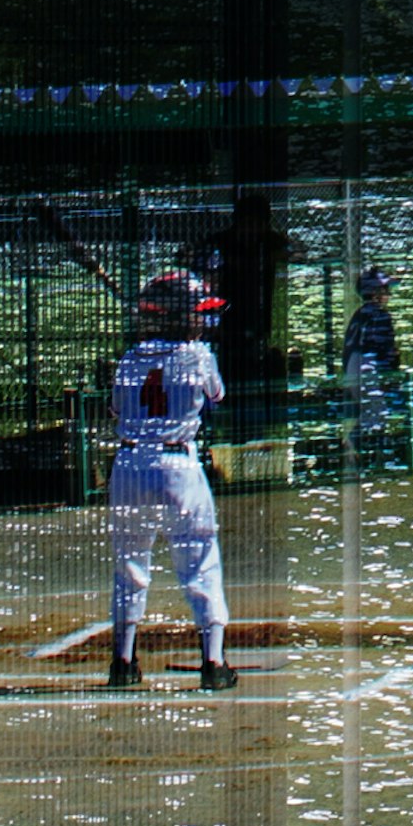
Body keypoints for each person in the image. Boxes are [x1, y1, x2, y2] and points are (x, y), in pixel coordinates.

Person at [107, 270, 235, 692]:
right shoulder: (199, 355)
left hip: (128, 466)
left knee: (129, 566)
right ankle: (213, 664)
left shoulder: (128, 358)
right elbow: (216, 396)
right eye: (195, 314)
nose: (201, 321)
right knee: (200, 562)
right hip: (177, 465)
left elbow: (115, 409)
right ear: (176, 318)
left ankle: (123, 664)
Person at [344, 262, 404, 429]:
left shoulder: (359, 314)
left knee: (367, 417)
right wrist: (387, 380)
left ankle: (357, 443)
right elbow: (380, 351)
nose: (388, 294)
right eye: (385, 290)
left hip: (354, 376)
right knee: (376, 421)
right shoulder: (379, 315)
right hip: (370, 376)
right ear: (375, 293)